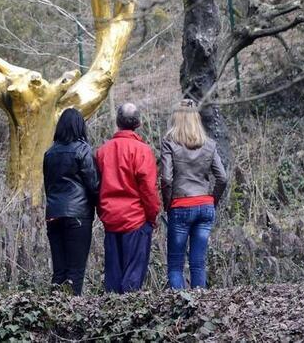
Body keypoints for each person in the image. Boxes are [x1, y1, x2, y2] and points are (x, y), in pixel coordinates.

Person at [160, 100, 228, 289]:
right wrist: (212, 201)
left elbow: (166, 179)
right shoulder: (210, 144)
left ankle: (178, 310)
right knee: (198, 263)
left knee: (175, 265)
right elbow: (222, 177)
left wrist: (167, 204)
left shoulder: (169, 143)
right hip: (205, 206)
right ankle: (201, 309)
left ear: (176, 119)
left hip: (180, 205)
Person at [95, 102, 160, 293]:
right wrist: (152, 216)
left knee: (113, 276)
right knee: (133, 275)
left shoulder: (102, 151)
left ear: (117, 122)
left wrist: (102, 212)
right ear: (138, 123)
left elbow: (96, 187)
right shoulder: (142, 151)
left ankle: (112, 314)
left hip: (110, 218)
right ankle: (130, 315)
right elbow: (148, 190)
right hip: (135, 219)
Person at [42, 108, 100, 295]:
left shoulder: (49, 154)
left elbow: (48, 185)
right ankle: (72, 315)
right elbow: (93, 185)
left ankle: (51, 311)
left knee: (59, 271)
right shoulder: (83, 150)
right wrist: (99, 206)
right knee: (75, 271)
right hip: (78, 215)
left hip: (53, 214)